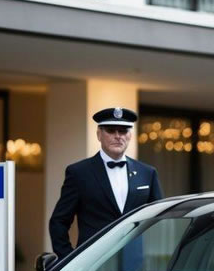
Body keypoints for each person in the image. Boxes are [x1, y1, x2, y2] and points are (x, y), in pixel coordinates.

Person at [48, 107, 163, 259]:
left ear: (130, 135)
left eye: (123, 131)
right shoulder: (79, 172)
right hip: (91, 262)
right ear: (99, 134)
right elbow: (58, 222)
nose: (118, 136)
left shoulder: (147, 173)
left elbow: (160, 220)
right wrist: (69, 259)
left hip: (134, 262)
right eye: (111, 130)